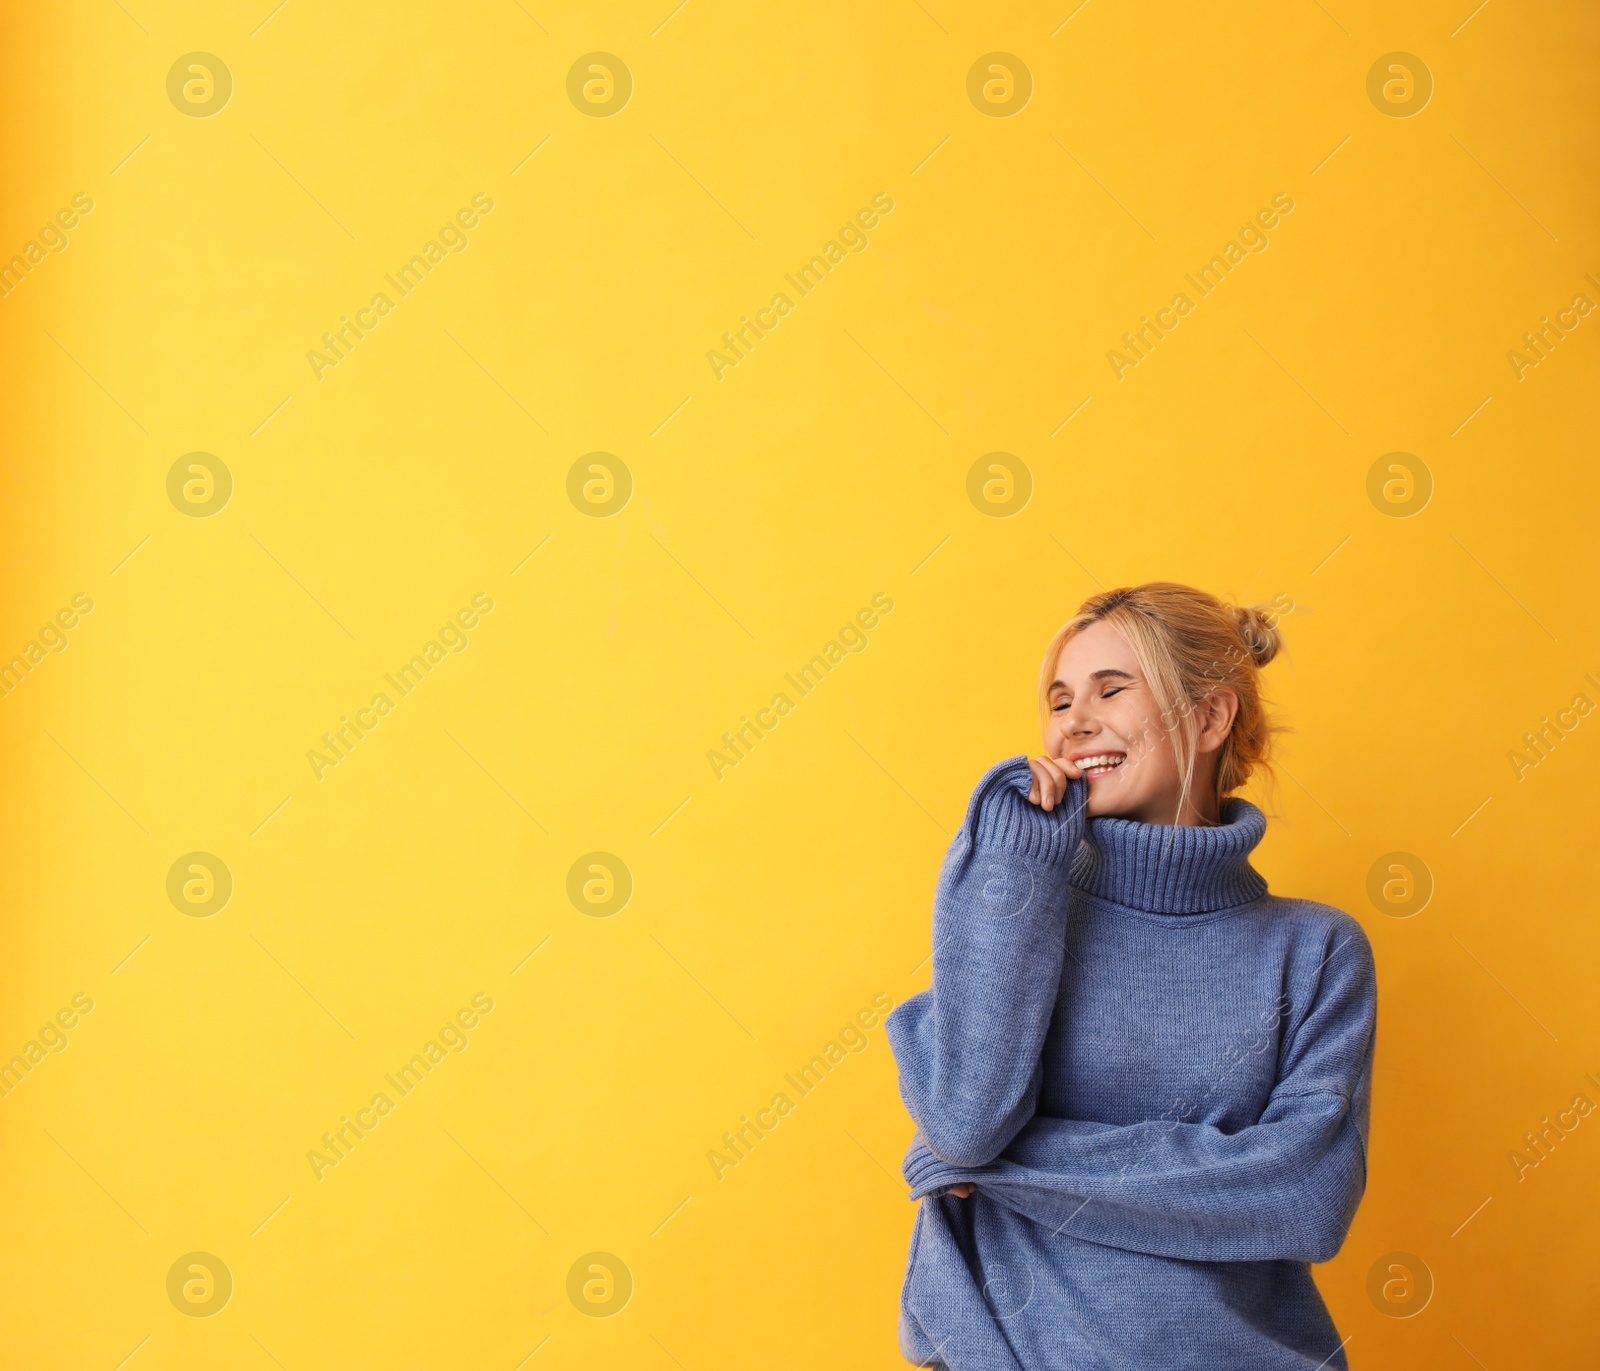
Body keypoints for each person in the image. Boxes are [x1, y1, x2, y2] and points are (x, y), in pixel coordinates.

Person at [886, 582, 1377, 1370]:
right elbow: (965, 1124)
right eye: (1058, 700)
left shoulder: (1314, 949)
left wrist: (1007, 1170)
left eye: (1112, 689)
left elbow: (1305, 1195)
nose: (1075, 721)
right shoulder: (1023, 911)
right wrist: (1014, 866)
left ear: (1211, 717)